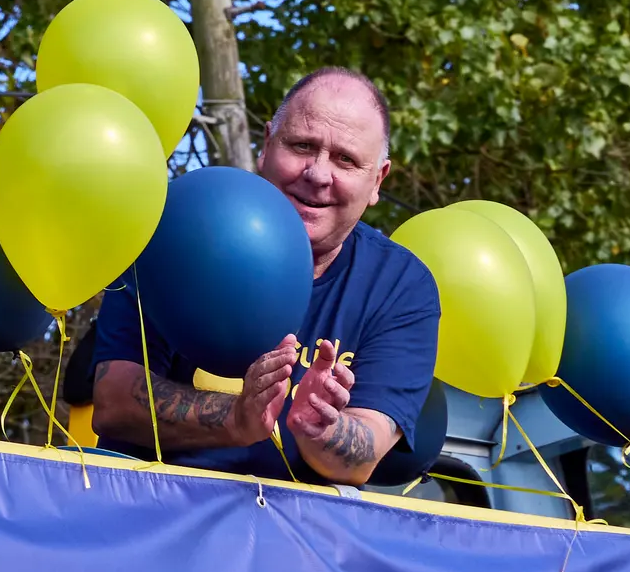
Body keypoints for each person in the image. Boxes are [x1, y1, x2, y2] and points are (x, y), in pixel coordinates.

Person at [88, 69, 443, 485]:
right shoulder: (177, 228)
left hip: (295, 537)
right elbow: (113, 401)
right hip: (148, 511)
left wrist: (321, 428)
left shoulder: (401, 287)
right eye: (302, 146)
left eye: (345, 159)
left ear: (377, 180)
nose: (318, 173)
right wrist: (236, 419)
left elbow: (363, 455)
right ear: (266, 144)